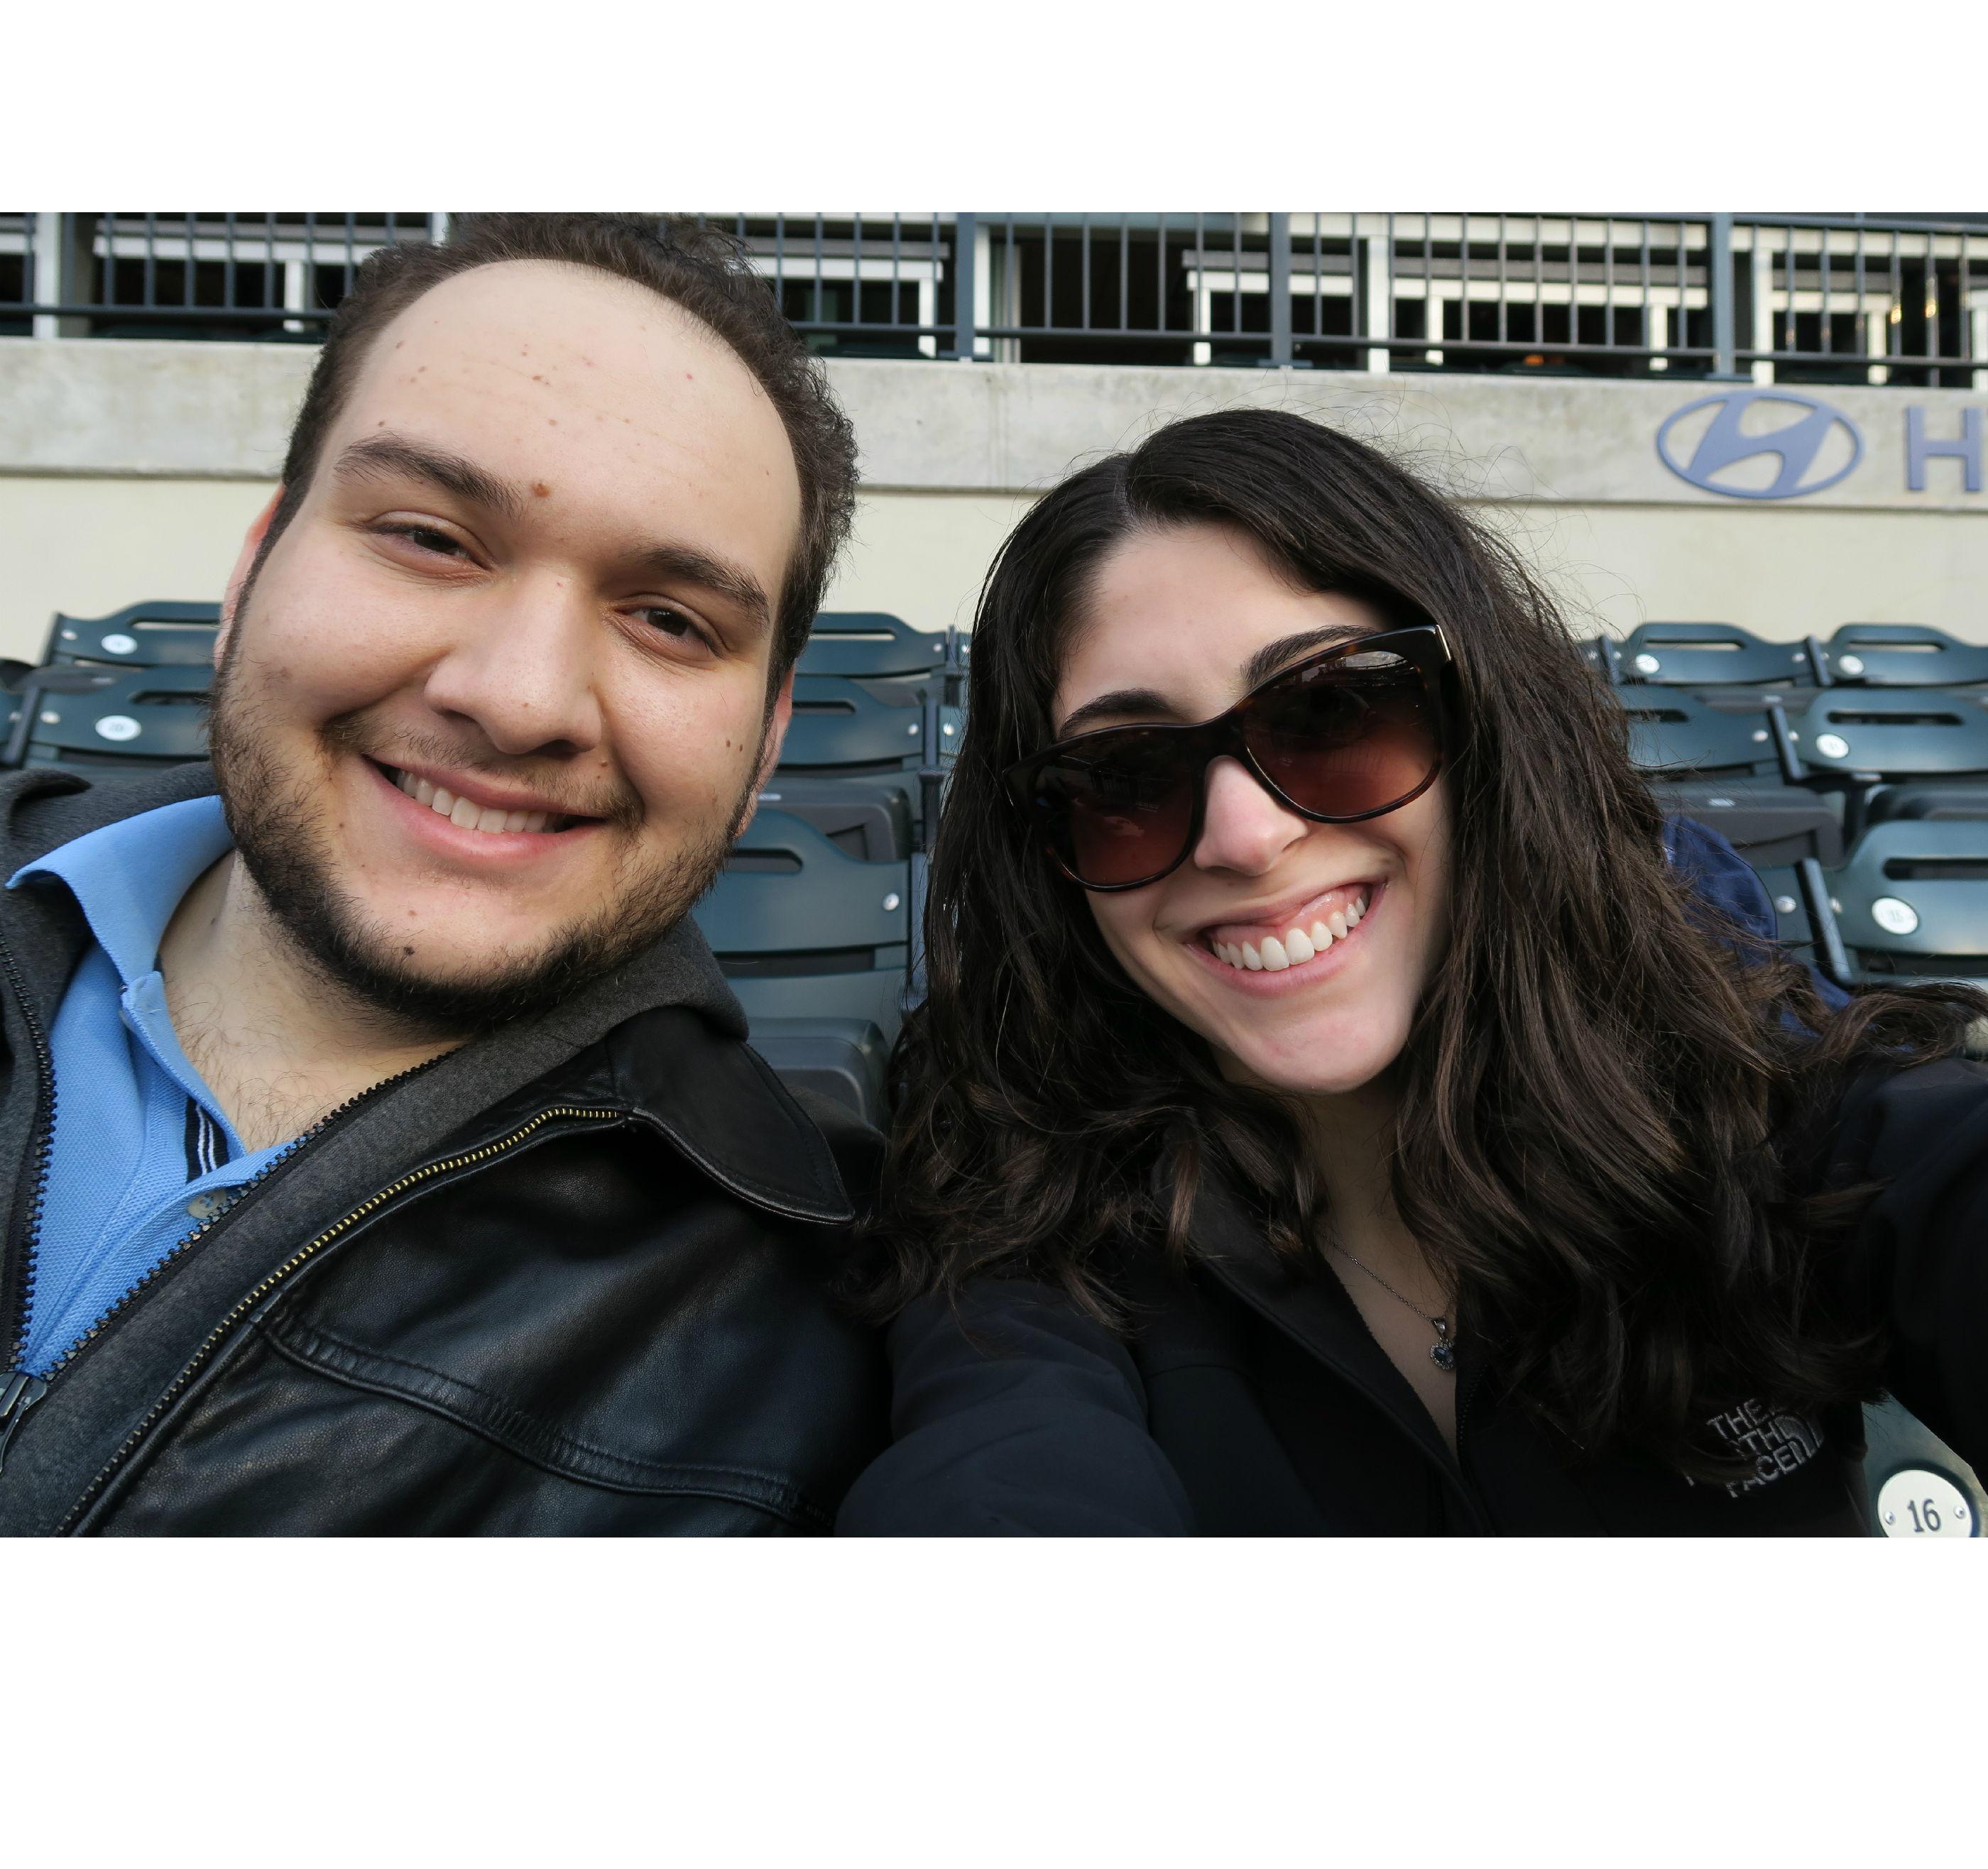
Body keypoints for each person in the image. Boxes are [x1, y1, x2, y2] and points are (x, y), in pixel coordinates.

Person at [840, 407, 1987, 1536]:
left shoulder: (1739, 1074)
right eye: (1126, 775)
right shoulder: (1018, 1173)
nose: (1244, 838)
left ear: (1484, 730)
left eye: (1330, 710)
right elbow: (1002, 1462)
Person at [0, 213, 887, 1535]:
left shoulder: (841, 1338)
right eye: (430, 537)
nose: (521, 699)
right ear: (252, 577)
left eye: (668, 619)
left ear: (763, 742)